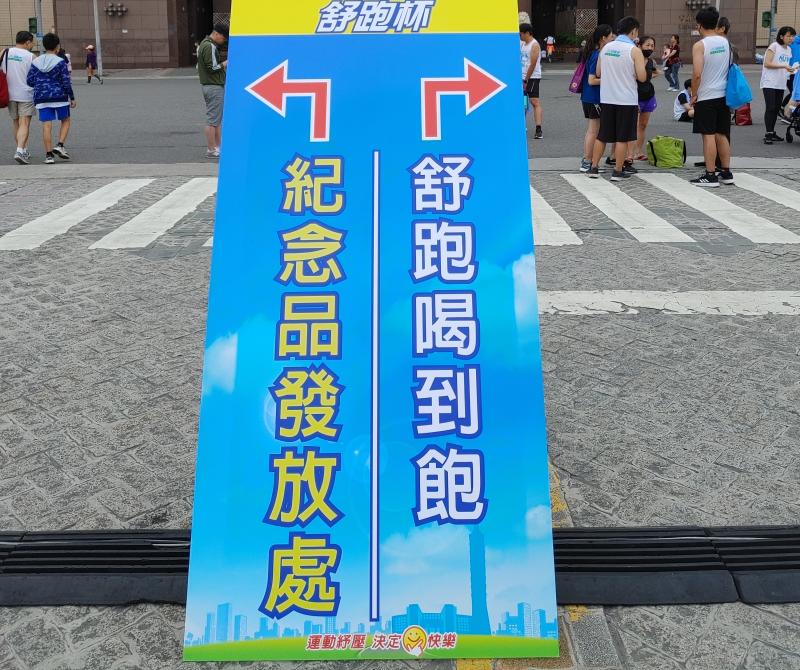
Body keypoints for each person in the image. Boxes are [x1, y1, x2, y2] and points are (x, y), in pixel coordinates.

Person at [587, 16, 646, 181]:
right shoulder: (634, 50)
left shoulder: (606, 48)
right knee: (622, 138)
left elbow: (598, 73)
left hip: (607, 98)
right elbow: (642, 77)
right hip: (626, 100)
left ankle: (593, 167)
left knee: (602, 136)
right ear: (633, 31)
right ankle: (618, 171)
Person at [690, 7, 732, 187]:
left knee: (708, 135)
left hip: (706, 95)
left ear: (699, 25)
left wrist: (693, 94)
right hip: (723, 94)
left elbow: (697, 74)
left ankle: (710, 175)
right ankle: (726, 172)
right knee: (721, 134)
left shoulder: (700, 45)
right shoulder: (725, 42)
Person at [26, 33, 75, 165]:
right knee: (65, 120)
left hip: (42, 98)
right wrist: (72, 97)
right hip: (60, 96)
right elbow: (66, 81)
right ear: (57, 46)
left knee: (46, 125)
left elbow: (29, 80)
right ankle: (60, 145)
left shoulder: (36, 62)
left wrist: (40, 85)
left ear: (44, 45)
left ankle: (48, 156)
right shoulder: (60, 62)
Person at [579, 24, 613, 172]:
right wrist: (610, 79)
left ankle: (588, 160)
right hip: (594, 97)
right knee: (593, 130)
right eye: (611, 36)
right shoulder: (597, 54)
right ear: (603, 38)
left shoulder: (593, 52)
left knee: (592, 130)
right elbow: (592, 80)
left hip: (589, 97)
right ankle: (587, 161)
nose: (612, 39)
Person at [1, 31, 35, 165]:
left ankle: (23, 149)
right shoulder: (31, 56)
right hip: (26, 94)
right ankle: (20, 150)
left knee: (16, 122)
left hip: (9, 94)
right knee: (24, 122)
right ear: (27, 42)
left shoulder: (5, 52)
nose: (32, 45)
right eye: (32, 43)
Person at [761, 26, 797, 144]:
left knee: (776, 109)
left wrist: (792, 69)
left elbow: (785, 67)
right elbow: (767, 63)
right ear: (781, 36)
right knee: (770, 107)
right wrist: (784, 66)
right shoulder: (774, 46)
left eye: (792, 36)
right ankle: (768, 134)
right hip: (769, 82)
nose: (791, 38)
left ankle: (772, 132)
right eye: (788, 36)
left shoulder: (789, 50)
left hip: (780, 83)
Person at [197, 24, 228, 159]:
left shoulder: (203, 44)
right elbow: (212, 68)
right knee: (212, 120)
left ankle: (218, 147)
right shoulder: (210, 46)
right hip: (213, 86)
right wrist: (225, 63)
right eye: (223, 38)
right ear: (217, 34)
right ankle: (211, 149)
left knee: (216, 119)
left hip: (209, 85)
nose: (223, 41)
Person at [632, 35, 659, 161]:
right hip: (634, 97)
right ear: (639, 45)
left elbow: (656, 72)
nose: (650, 48)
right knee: (633, 126)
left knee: (642, 125)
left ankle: (638, 152)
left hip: (648, 96)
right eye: (647, 45)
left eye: (652, 46)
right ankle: (629, 153)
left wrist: (649, 77)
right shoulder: (633, 60)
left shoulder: (651, 61)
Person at [520, 23, 543, 140]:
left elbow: (533, 64)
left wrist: (526, 80)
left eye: (521, 34)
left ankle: (539, 129)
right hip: (522, 77)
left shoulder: (534, 45)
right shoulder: (523, 44)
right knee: (523, 102)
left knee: (534, 102)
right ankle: (521, 125)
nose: (520, 36)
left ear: (527, 33)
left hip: (532, 77)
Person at [781, 32, 800, 112]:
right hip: (791, 71)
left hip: (795, 71)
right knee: (795, 94)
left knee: (795, 94)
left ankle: (787, 110)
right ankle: (786, 111)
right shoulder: (793, 40)